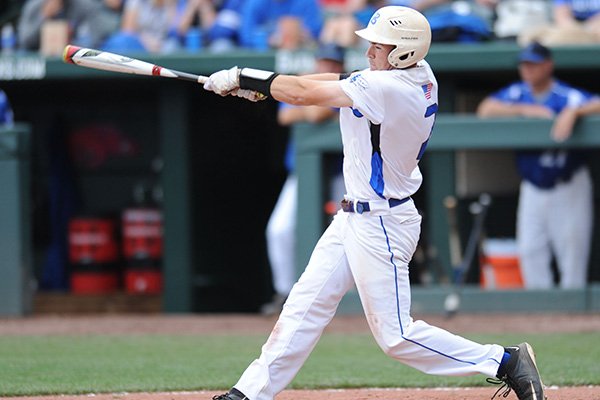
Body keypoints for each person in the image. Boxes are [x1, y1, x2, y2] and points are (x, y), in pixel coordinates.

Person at [203, 6, 545, 400]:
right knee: (303, 307)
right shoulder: (414, 73)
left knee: (396, 337)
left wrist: (246, 76)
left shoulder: (391, 88)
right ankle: (248, 393)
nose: (368, 53)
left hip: (381, 220)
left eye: (378, 47)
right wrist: (264, 86)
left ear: (402, 52)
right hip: (354, 216)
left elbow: (303, 93)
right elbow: (336, 79)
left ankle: (504, 361)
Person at [477, 42, 600, 290]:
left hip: (568, 182)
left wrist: (574, 112)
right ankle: (542, 322)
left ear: (548, 65)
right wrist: (524, 109)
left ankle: (571, 318)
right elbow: (485, 110)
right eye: (524, 64)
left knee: (572, 252)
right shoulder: (517, 94)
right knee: (530, 251)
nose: (528, 69)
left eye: (533, 64)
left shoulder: (568, 96)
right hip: (532, 185)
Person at [261, 42, 346, 316]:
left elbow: (317, 112)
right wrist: (309, 109)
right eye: (323, 62)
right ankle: (284, 293)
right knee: (280, 230)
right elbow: (285, 115)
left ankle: (349, 298)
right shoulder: (304, 83)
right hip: (301, 174)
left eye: (332, 64)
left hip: (341, 176)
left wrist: (309, 108)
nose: (327, 67)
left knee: (349, 235)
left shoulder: (346, 86)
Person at [17, 0, 117, 51]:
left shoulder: (85, 6)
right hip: (40, 57)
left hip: (75, 60)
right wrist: (44, 17)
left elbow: (95, 41)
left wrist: (69, 42)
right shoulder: (34, 6)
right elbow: (25, 42)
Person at [238, 0, 323, 50]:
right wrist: (269, 40)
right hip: (265, 55)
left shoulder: (306, 2)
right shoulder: (256, 3)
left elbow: (315, 31)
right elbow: (246, 35)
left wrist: (302, 35)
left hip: (300, 52)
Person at [518, 0, 600, 46]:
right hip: (570, 30)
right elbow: (562, 18)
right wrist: (581, 30)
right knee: (529, 35)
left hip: (595, 30)